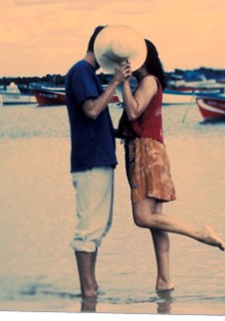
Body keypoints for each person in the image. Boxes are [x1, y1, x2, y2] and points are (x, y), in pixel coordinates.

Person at [117, 39, 225, 291]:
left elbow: (133, 112)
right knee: (156, 221)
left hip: (147, 152)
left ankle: (201, 233)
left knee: (143, 218)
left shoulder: (148, 81)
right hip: (150, 150)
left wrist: (122, 82)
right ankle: (165, 281)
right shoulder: (147, 82)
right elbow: (133, 123)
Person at [65, 26, 132, 299]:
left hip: (99, 157)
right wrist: (115, 82)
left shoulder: (89, 75)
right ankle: (87, 289)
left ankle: (91, 288)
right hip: (91, 159)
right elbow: (92, 110)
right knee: (89, 228)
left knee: (100, 226)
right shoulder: (81, 71)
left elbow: (95, 116)